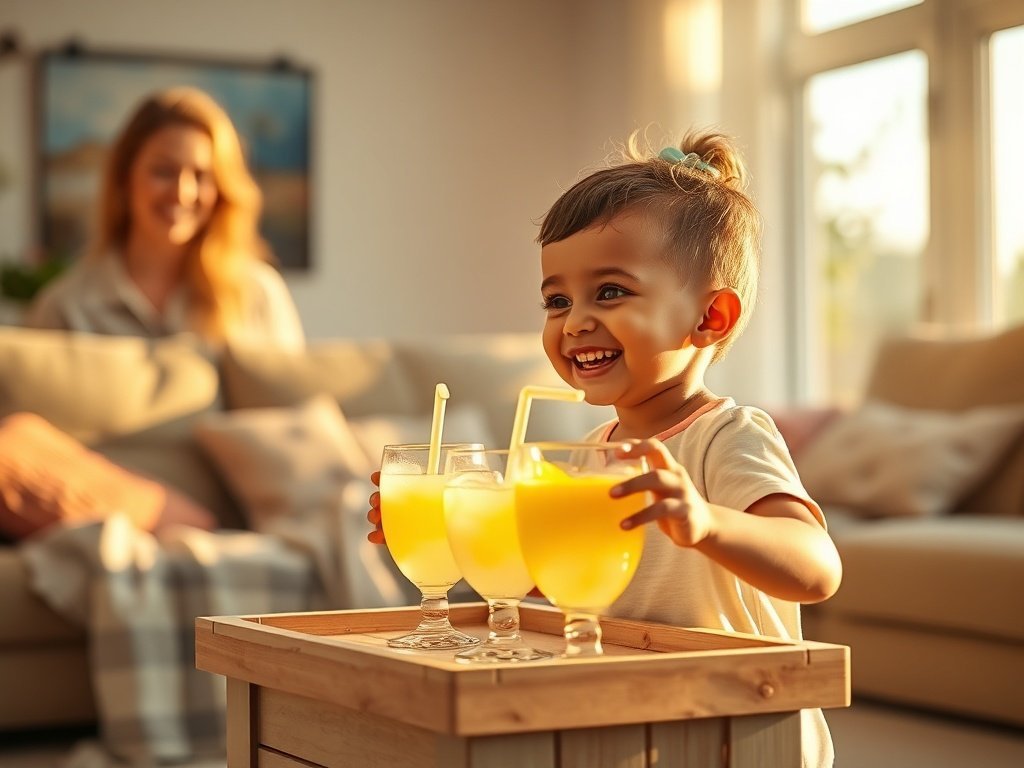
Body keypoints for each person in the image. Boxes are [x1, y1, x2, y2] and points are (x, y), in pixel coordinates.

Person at [368, 129, 841, 767]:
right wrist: (458, 536)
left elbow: (815, 568)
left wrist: (703, 523)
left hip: (741, 728)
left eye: (610, 291)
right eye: (556, 300)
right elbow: (552, 589)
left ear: (711, 318)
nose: (575, 321)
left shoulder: (726, 434)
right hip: (637, 719)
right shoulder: (591, 451)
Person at [26, 86, 305, 349]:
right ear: (125, 178)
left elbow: (301, 399)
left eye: (201, 176)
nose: (183, 193)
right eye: (163, 171)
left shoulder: (258, 295)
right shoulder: (64, 308)